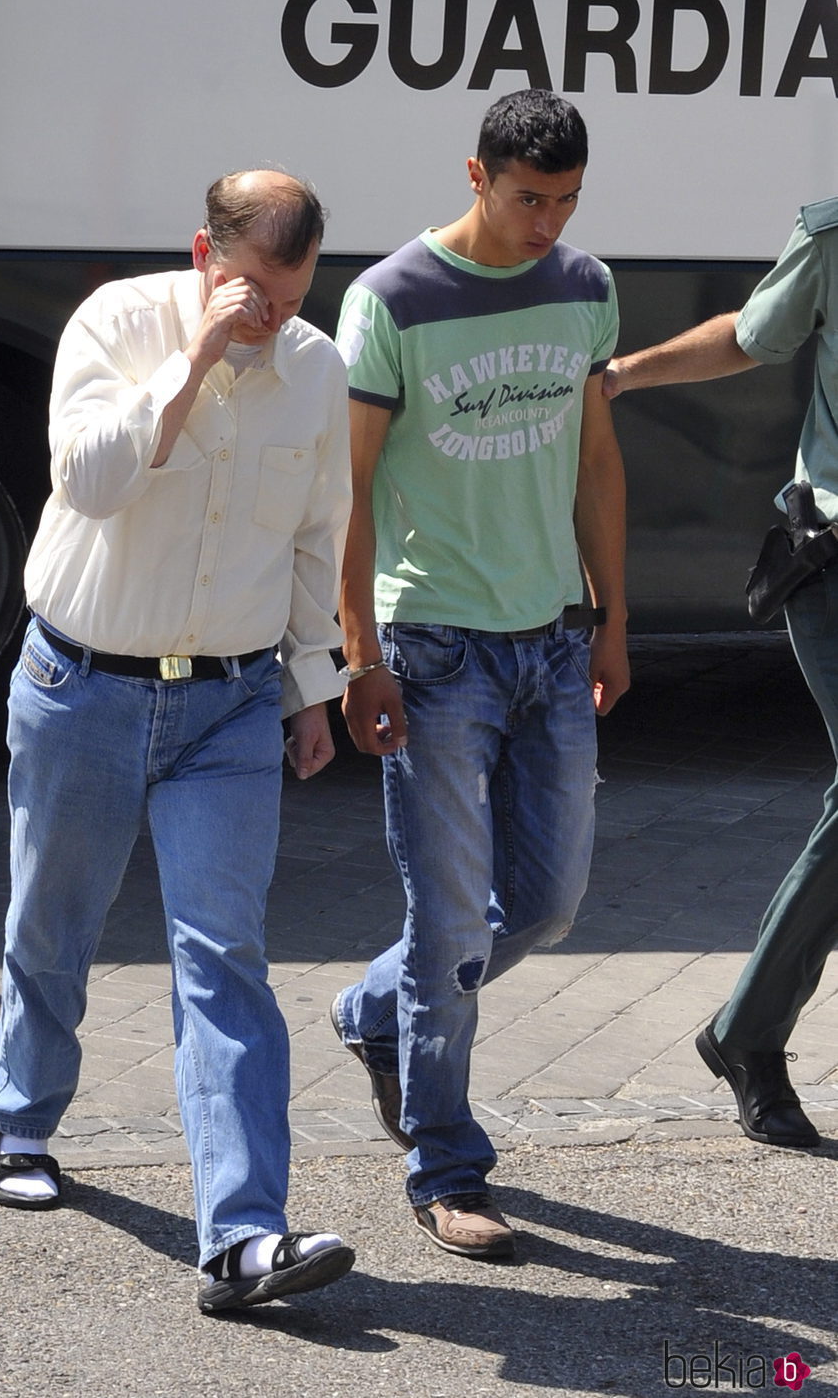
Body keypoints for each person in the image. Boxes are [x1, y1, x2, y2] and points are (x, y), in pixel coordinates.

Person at [0, 169, 356, 1313]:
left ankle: (245, 1237)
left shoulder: (318, 369)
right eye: (249, 290)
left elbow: (312, 536)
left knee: (224, 956)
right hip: (84, 681)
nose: (268, 319)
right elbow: (86, 483)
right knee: (55, 923)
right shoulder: (116, 324)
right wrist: (191, 363)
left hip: (229, 704)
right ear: (204, 254)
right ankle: (19, 1125)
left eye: (290, 299)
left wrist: (309, 690)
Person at [330, 90, 630, 1260]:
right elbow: (347, 495)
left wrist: (610, 620)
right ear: (474, 174)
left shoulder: (585, 288)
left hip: (551, 641)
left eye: (564, 200)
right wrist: (356, 655)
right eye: (526, 199)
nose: (545, 221)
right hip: (433, 648)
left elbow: (595, 458)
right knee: (450, 919)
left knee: (546, 902)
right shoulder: (389, 299)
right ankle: (445, 1163)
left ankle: (371, 1011)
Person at [605, 196, 838, 1151]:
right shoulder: (833, 236)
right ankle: (750, 1037)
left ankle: (744, 1034)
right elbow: (749, 338)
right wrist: (621, 375)